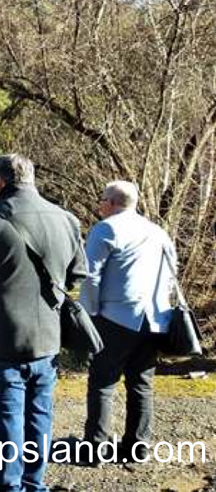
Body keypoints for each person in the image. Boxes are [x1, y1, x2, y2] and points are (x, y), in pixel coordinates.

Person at [0, 154, 87, 492]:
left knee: (9, 418)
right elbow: (76, 275)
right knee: (40, 416)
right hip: (47, 340)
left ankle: (10, 485)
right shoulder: (66, 219)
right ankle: (33, 483)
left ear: (0, 183)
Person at [80, 181, 175, 464]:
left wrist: (90, 312)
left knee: (102, 382)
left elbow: (91, 275)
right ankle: (138, 447)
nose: (99, 205)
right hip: (155, 319)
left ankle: (95, 448)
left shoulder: (106, 228)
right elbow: (171, 274)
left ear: (111, 202)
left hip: (116, 316)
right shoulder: (158, 232)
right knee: (141, 383)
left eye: (101, 200)